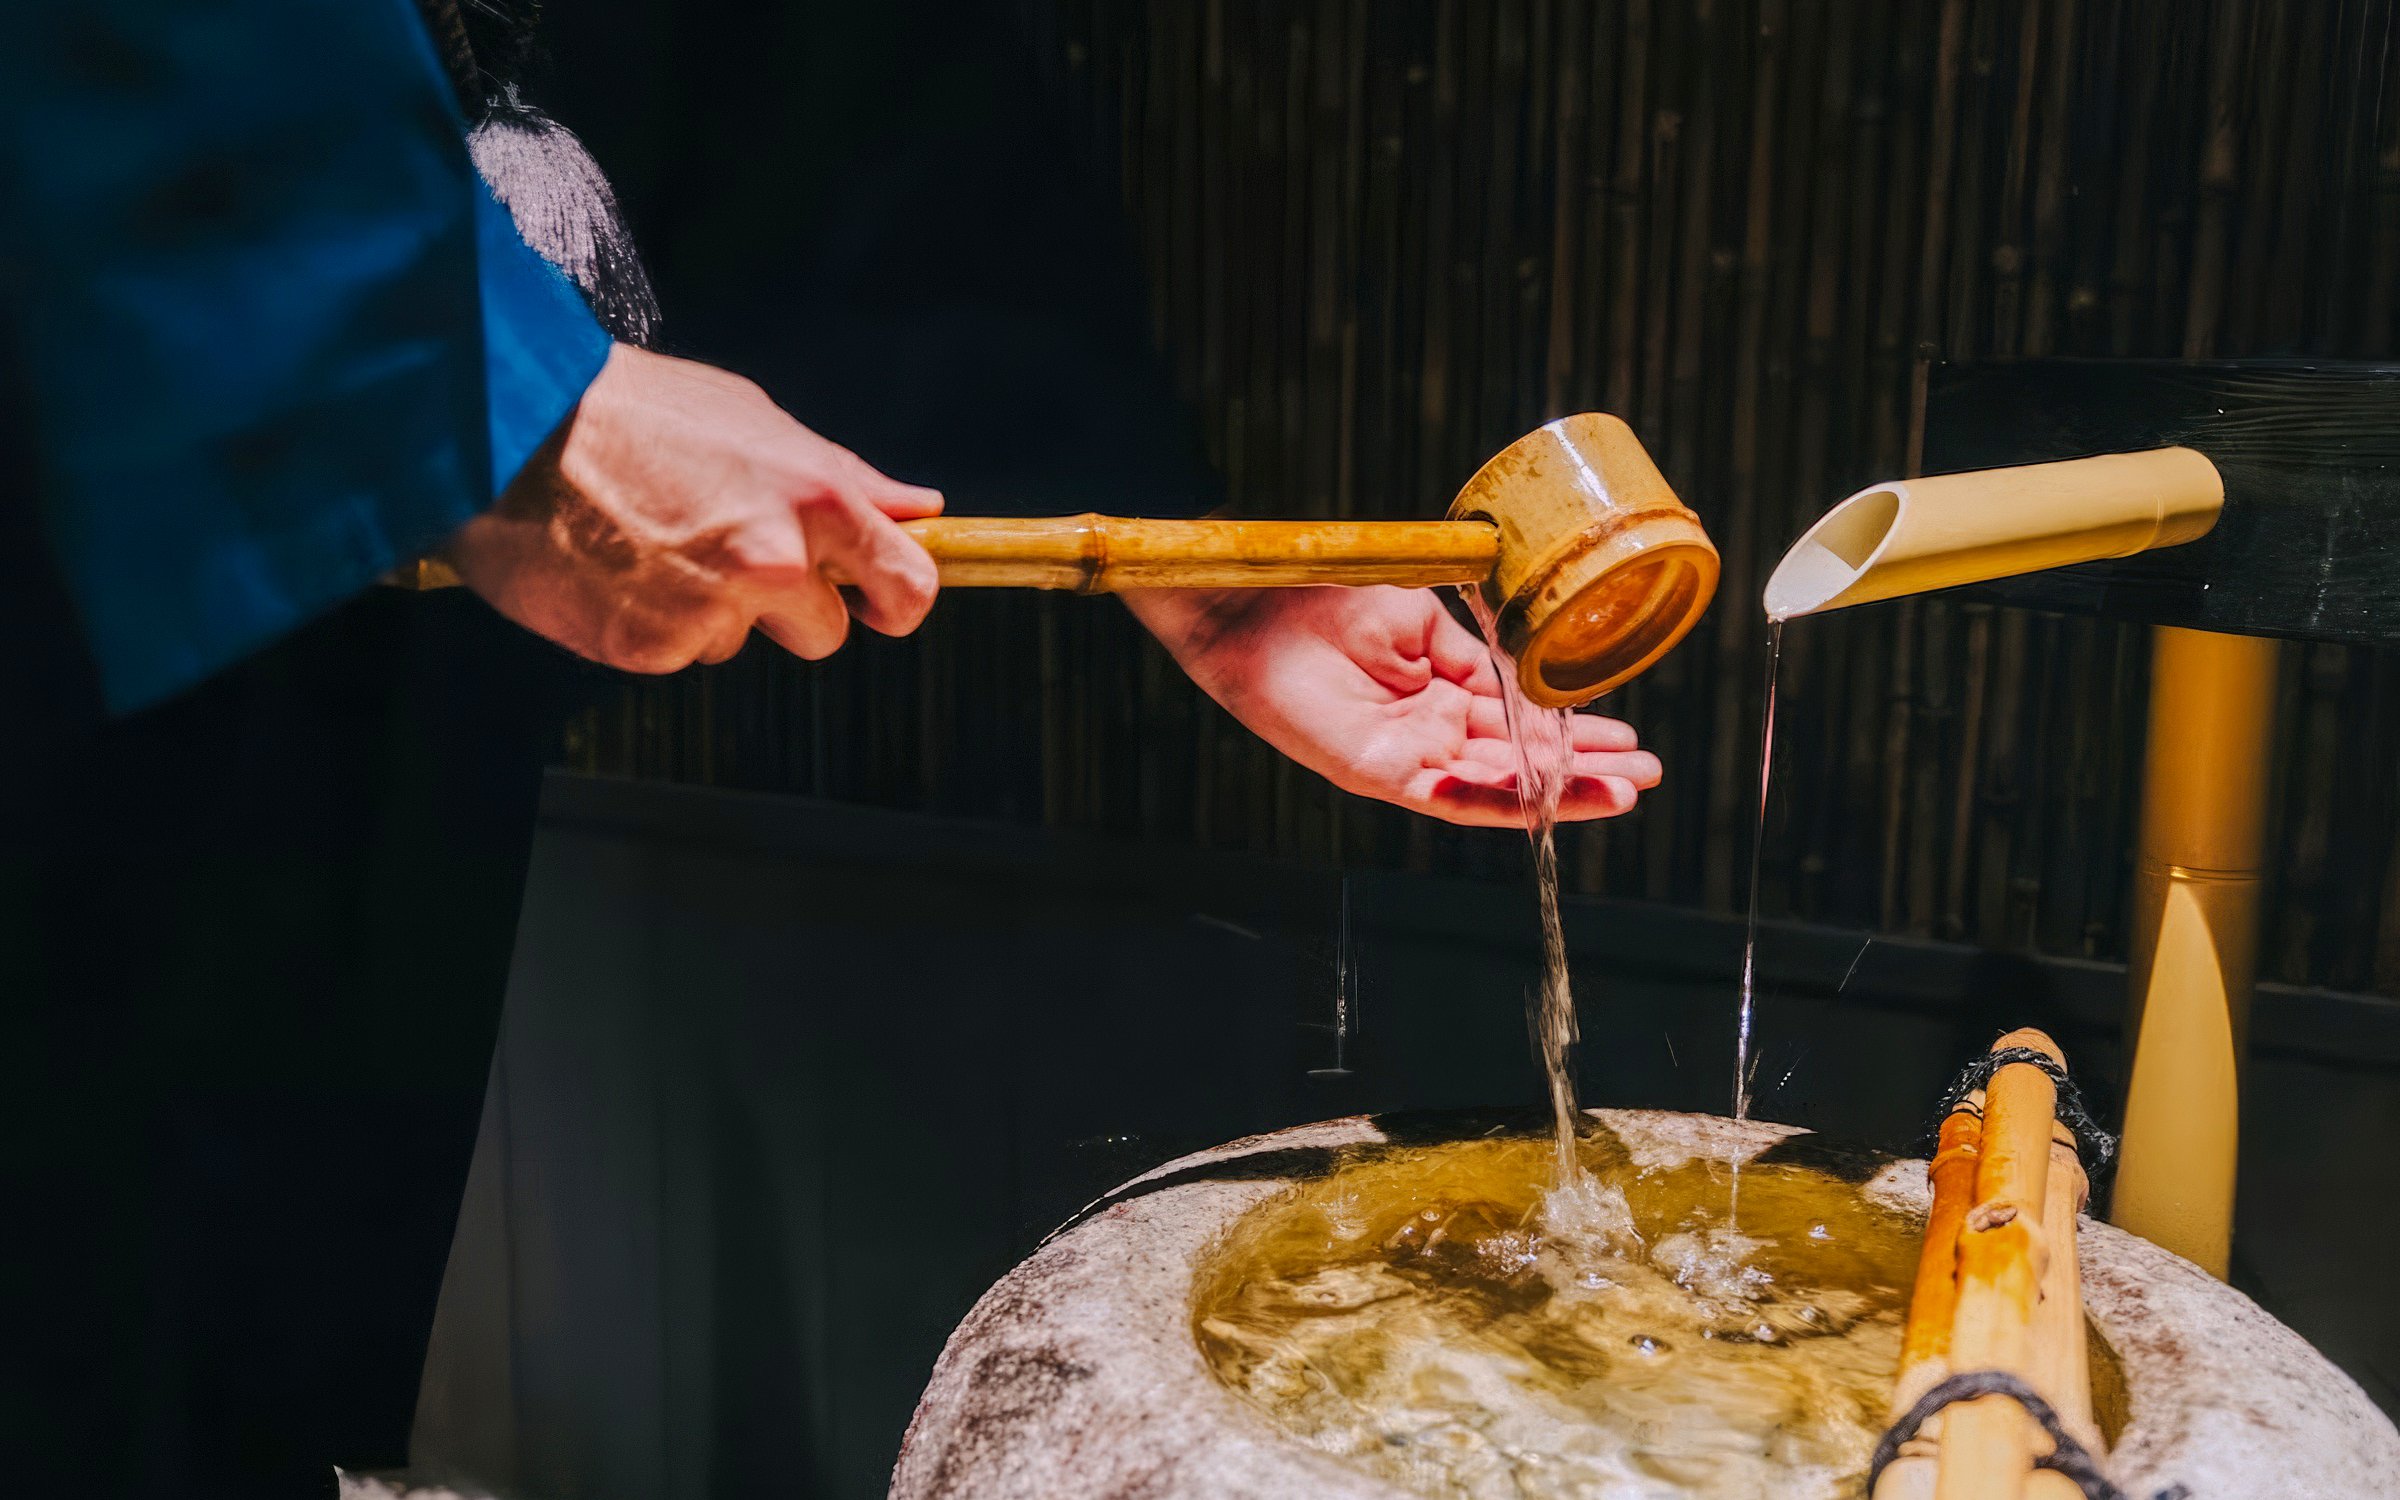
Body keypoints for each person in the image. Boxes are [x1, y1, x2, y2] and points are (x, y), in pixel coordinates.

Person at [1, 1, 1660, 1494]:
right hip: (131, 422)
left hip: (359, 573)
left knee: (238, 1335)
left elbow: (846, 93)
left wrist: (1182, 554)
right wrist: (467, 373)